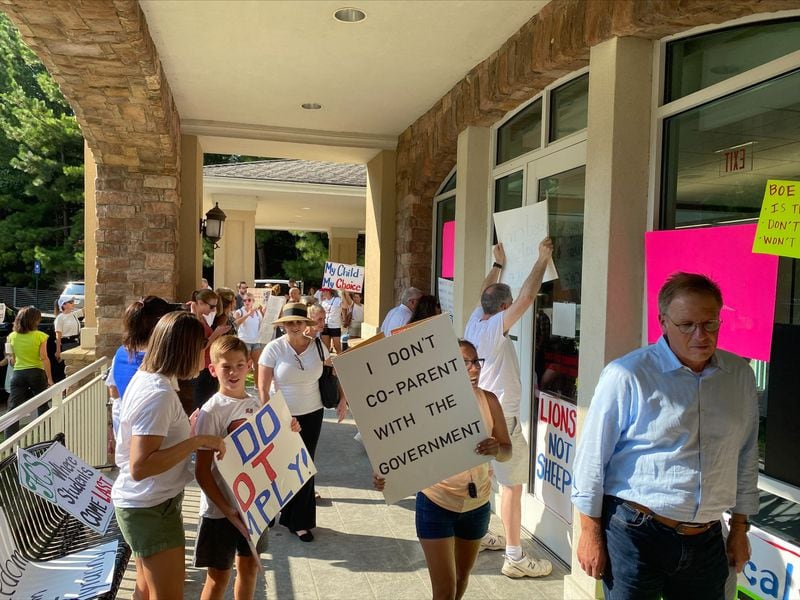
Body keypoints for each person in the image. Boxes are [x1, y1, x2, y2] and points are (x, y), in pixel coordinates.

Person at [571, 272, 759, 600]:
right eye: (687, 325)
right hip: (636, 532)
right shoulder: (628, 374)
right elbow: (591, 459)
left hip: (707, 537)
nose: (700, 335)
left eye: (710, 323)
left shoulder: (739, 376)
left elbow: (745, 455)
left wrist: (740, 528)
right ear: (663, 322)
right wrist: (589, 533)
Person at [373, 340, 513, 600]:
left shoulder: (489, 400)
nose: (474, 369)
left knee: (462, 577)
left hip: (477, 504)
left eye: (476, 362)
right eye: (465, 363)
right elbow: (400, 450)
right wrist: (386, 476)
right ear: (445, 367)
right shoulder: (425, 405)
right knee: (445, 589)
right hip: (436, 503)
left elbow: (507, 451)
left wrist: (496, 449)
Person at [112, 311, 226, 600]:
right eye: (203, 346)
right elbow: (141, 466)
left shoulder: (154, 379)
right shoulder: (159, 394)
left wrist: (183, 428)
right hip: (150, 508)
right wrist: (197, 440)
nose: (206, 354)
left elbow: (153, 439)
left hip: (147, 505)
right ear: (185, 349)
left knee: (146, 589)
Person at [464, 238, 553, 578]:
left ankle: (483, 533)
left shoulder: (475, 321)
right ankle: (515, 556)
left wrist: (498, 264)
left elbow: (485, 291)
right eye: (509, 305)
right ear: (504, 308)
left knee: (484, 477)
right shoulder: (496, 328)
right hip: (502, 420)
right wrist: (542, 258)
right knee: (513, 488)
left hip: (479, 413)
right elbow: (528, 297)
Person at [257, 302, 347, 542]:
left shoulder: (319, 347)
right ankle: (270, 511)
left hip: (313, 413)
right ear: (283, 325)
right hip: (282, 415)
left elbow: (335, 373)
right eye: (289, 322)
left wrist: (343, 399)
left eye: (298, 321)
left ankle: (299, 522)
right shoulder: (274, 349)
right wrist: (270, 416)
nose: (294, 326)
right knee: (278, 465)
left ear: (305, 324)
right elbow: (262, 388)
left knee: (303, 467)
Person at [194, 336, 261, 600]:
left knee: (249, 567)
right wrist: (226, 509)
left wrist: (290, 431)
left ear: (249, 366)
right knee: (218, 576)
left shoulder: (255, 405)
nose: (233, 372)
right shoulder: (211, 411)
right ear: (213, 370)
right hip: (219, 511)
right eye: (226, 367)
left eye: (239, 365)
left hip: (253, 507)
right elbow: (201, 471)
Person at [106, 296, 172, 437]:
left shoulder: (121, 352)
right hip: (150, 431)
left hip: (123, 426)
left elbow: (113, 391)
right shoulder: (162, 359)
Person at [5, 306, 53, 437]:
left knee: (13, 408)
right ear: (34, 320)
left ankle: (10, 439)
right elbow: (44, 358)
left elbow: (12, 360)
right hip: (36, 372)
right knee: (42, 405)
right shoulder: (41, 336)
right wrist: (49, 378)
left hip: (18, 374)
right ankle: (47, 434)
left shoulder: (11, 336)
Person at [190, 288, 231, 410]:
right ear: (200, 303)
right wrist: (215, 334)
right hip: (201, 367)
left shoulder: (201, 318)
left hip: (207, 364)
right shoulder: (194, 319)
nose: (214, 310)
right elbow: (199, 346)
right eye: (211, 306)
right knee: (202, 403)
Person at [233, 291, 265, 388]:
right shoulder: (240, 311)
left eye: (249, 300)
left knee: (257, 365)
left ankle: (257, 386)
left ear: (253, 301)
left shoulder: (257, 312)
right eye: (244, 300)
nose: (246, 302)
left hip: (255, 341)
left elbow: (262, 325)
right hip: (244, 341)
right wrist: (247, 314)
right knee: (243, 365)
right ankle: (240, 385)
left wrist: (263, 313)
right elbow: (236, 323)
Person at [52, 296, 83, 382]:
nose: (73, 303)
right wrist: (58, 350)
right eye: (70, 302)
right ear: (64, 305)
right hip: (66, 344)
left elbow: (85, 310)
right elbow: (58, 335)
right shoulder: (60, 318)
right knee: (66, 368)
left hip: (76, 342)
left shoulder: (74, 314)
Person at [319, 288, 343, 354]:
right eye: (322, 291)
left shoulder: (337, 300)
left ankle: (341, 361)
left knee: (337, 346)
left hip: (335, 325)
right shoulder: (323, 302)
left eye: (324, 291)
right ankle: (327, 363)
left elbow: (345, 307)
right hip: (325, 325)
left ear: (329, 291)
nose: (322, 293)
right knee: (326, 347)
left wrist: (344, 294)